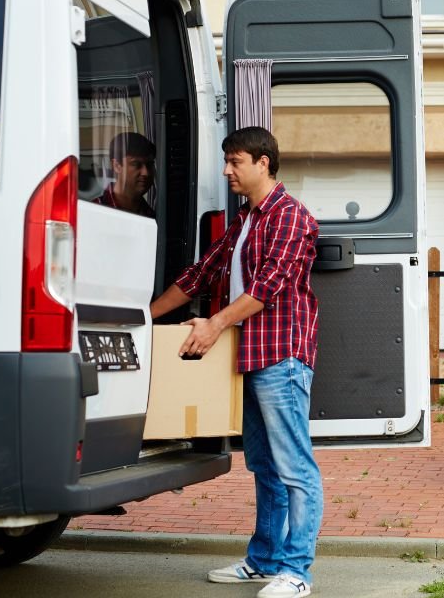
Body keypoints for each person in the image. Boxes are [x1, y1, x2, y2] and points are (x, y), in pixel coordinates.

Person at [149, 126, 323, 598]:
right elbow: (199, 274)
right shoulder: (246, 219)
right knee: (265, 466)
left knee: (295, 467)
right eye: (227, 161)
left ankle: (297, 572)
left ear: (264, 162)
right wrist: (143, 319)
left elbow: (268, 287)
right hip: (248, 357)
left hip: (281, 356)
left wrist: (213, 325)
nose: (227, 170)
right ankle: (264, 561)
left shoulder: (290, 217)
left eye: (236, 161)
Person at [95, 131, 155, 217]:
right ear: (116, 166)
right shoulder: (93, 212)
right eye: (136, 164)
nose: (146, 173)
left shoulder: (153, 216)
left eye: (149, 164)